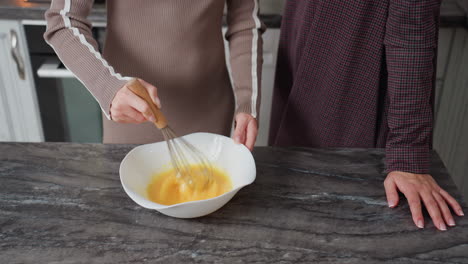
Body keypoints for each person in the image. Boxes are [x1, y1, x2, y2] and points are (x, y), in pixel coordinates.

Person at [269, 1, 464, 230]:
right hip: (305, 43)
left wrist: (408, 153)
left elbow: (412, 29)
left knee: (334, 220)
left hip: (353, 80)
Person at [44, 0, 265, 150]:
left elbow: (246, 24)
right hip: (132, 114)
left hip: (210, 113)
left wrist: (248, 102)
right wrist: (108, 87)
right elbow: (63, 21)